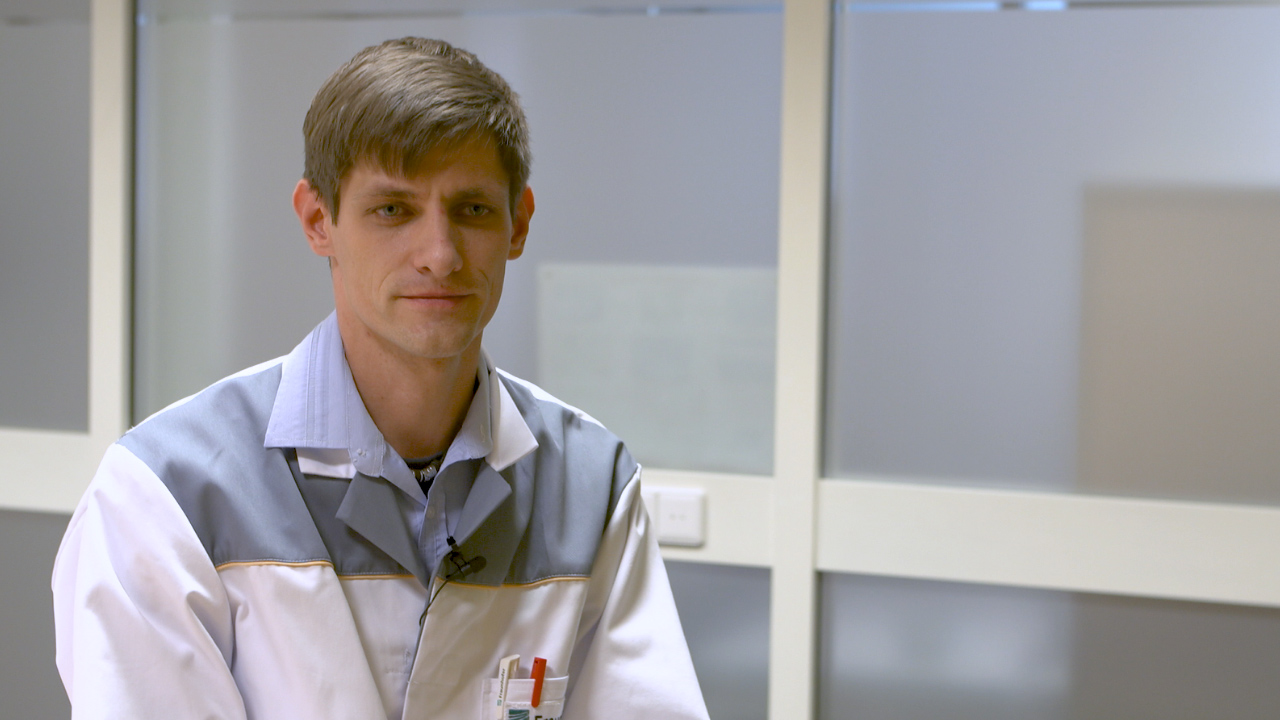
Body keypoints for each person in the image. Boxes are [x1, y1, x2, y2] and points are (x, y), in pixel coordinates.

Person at [52, 37, 709, 720]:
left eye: (473, 209)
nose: (440, 255)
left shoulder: (592, 484)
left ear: (518, 224)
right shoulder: (165, 497)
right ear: (319, 221)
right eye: (393, 210)